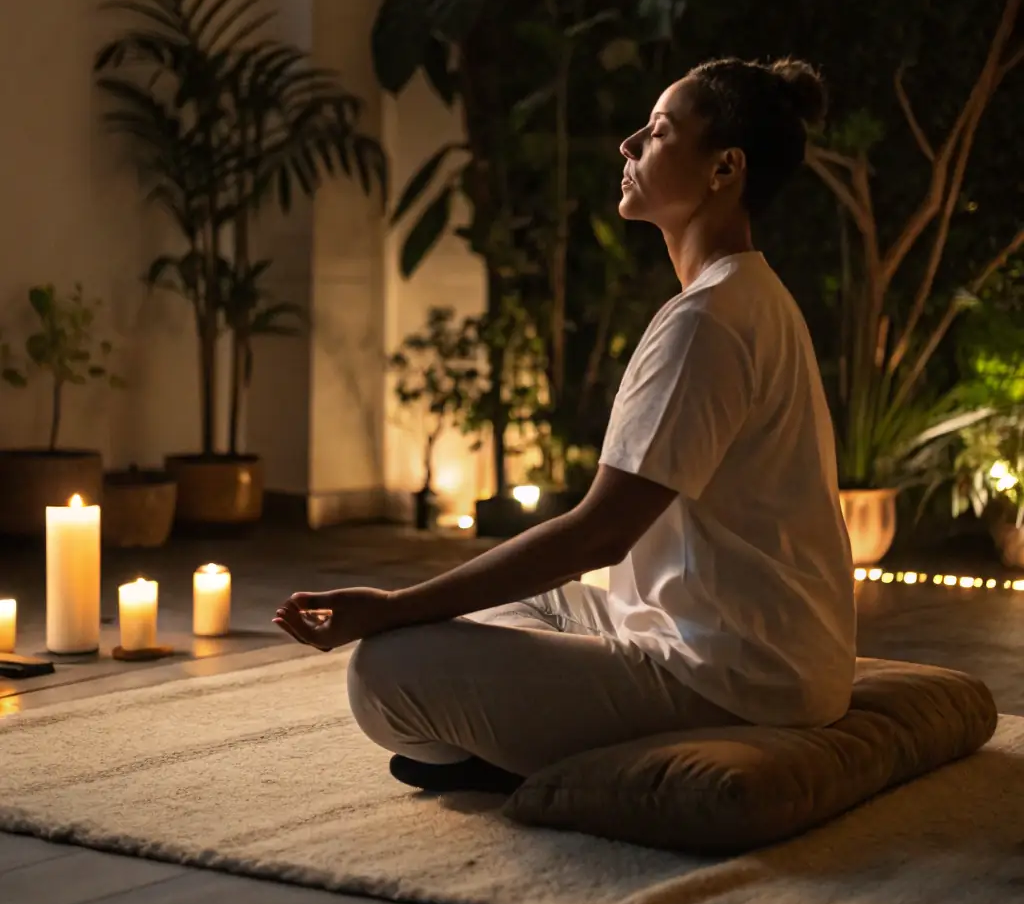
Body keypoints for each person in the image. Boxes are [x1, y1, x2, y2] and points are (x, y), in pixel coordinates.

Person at [274, 57, 856, 794]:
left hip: (732, 679)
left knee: (383, 669)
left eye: (659, 132)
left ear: (724, 170)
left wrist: (393, 606)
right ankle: (506, 744)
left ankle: (525, 756)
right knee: (529, 599)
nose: (629, 144)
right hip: (767, 654)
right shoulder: (751, 295)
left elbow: (600, 533)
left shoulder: (707, 321)